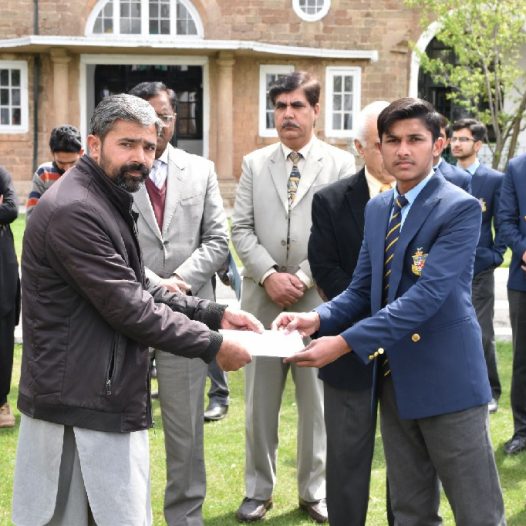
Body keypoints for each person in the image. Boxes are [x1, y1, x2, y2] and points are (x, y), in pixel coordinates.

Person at [12, 93, 262, 526]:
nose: (141, 158)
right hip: (78, 405)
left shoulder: (104, 195)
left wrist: (213, 313)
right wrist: (214, 345)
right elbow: (131, 307)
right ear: (94, 144)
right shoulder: (76, 209)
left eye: (148, 146)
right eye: (127, 144)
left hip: (98, 393)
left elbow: (139, 283)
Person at [274, 97, 505, 525]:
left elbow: (426, 298)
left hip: (449, 379)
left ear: (438, 145)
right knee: (411, 510)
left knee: (478, 513)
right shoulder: (379, 208)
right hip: (397, 380)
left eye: (415, 139)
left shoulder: (458, 207)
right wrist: (317, 319)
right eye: (392, 140)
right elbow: (363, 289)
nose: (403, 150)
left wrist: (343, 343)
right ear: (377, 147)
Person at [231, 71, 356, 523]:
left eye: (297, 105)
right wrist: (268, 275)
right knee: (259, 405)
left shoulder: (341, 164)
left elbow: (341, 233)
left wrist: (301, 278)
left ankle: (313, 491)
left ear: (315, 110)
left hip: (317, 302)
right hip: (261, 303)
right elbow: (241, 228)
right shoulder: (254, 162)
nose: (287, 114)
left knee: (316, 404)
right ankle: (257, 491)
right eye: (280, 106)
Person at [129, 81, 230, 525]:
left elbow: (218, 240)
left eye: (165, 116)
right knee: (121, 427)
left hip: (188, 316)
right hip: (127, 313)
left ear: (175, 119)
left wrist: (179, 283)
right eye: (148, 117)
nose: (158, 125)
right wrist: (155, 286)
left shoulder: (201, 170)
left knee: (186, 429)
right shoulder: (117, 172)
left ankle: (185, 516)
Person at [308, 100, 394, 526]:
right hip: (346, 350)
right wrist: (374, 316)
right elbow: (325, 269)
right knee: (346, 460)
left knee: (410, 464)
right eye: (382, 142)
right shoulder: (331, 200)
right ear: (360, 147)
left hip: (409, 351)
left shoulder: (429, 202)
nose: (393, 151)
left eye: (399, 139)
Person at [451, 117, 505, 413]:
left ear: (478, 145)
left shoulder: (493, 180)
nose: (456, 144)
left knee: (482, 332)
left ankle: (490, 390)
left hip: (480, 267)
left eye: (463, 139)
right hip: (449, 267)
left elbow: (504, 219)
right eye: (454, 138)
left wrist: (495, 255)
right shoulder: (443, 176)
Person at [497, 152, 526, 455]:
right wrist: (524, 250)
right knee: (522, 360)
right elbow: (504, 220)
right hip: (523, 280)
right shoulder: (517, 168)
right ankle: (522, 430)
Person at [25, 124, 84, 219]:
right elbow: (32, 214)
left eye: (72, 162)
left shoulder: (90, 174)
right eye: (61, 162)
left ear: (81, 153)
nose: (67, 169)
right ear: (52, 154)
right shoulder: (44, 174)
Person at [0, 165, 19, 429]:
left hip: (2, 268)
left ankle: (1, 402)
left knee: (2, 334)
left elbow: (12, 210)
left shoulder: (1, 175)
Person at [432, 114, 471, 192]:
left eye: (438, 136)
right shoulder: (407, 172)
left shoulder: (461, 178)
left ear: (446, 143)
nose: (432, 140)